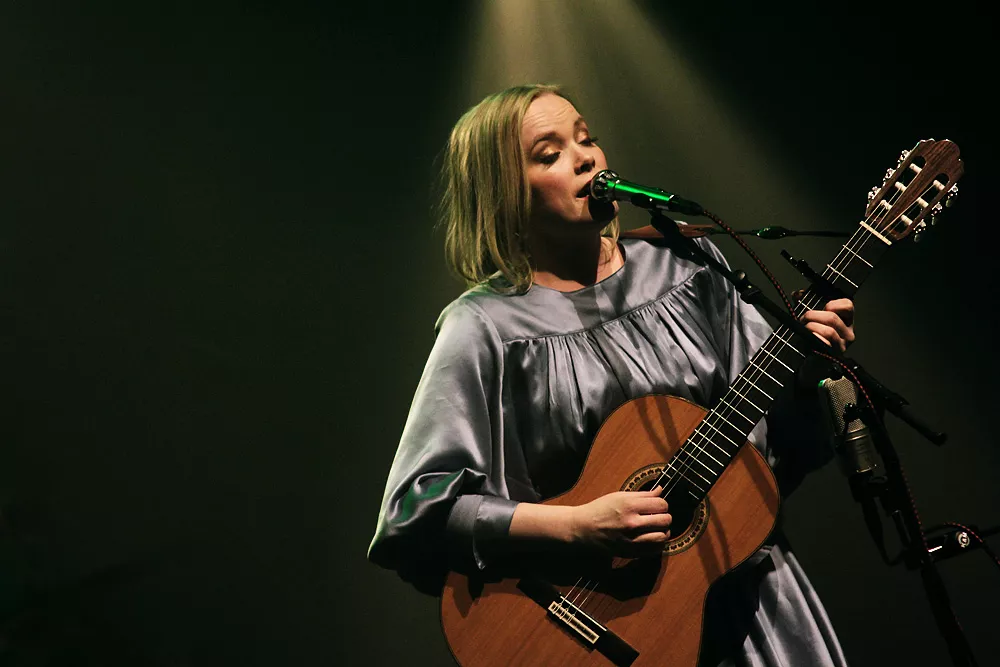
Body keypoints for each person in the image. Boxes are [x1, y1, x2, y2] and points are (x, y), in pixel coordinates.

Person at [368, 83, 855, 666]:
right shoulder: (485, 327)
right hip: (599, 629)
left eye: (586, 138)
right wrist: (576, 526)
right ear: (503, 194)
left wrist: (804, 373)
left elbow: (769, 460)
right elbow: (413, 513)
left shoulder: (690, 265)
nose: (585, 158)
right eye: (549, 154)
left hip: (754, 606)